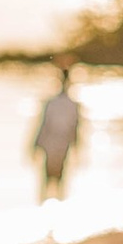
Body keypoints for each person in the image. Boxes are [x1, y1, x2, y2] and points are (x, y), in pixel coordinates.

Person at [29, 63, 84, 202]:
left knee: (48, 181)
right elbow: (75, 129)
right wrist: (77, 148)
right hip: (59, 145)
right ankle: (55, 210)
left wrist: (35, 144)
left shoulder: (53, 103)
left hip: (52, 145)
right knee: (58, 181)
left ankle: (46, 209)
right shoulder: (72, 104)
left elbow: (43, 125)